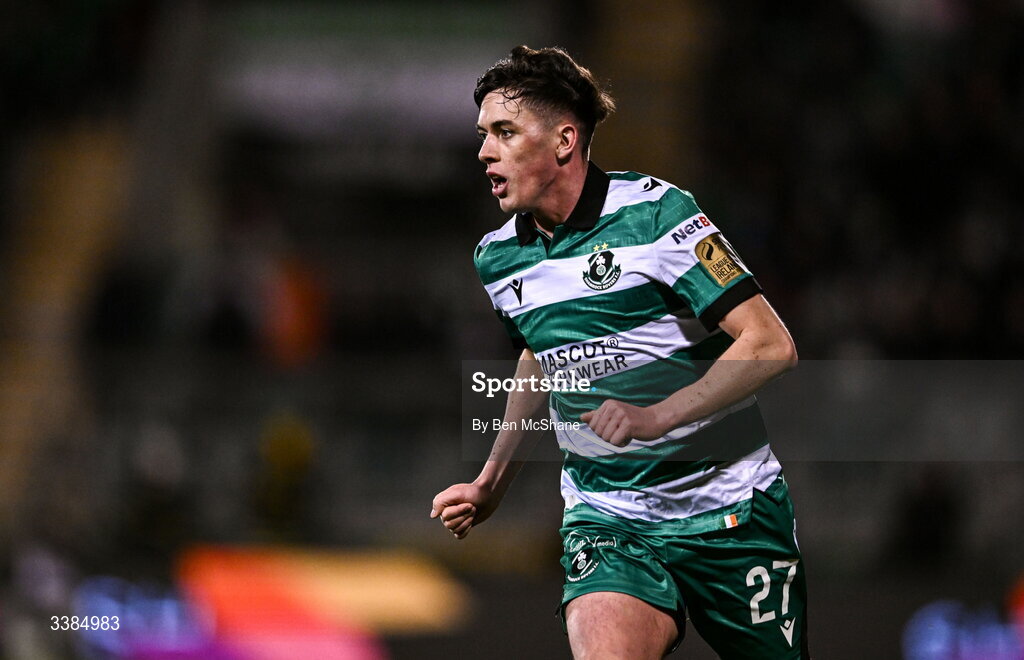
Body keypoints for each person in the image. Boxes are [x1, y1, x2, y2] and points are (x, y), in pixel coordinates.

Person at [431, 45, 809, 659]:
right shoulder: (498, 258)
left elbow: (770, 344)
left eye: (504, 132)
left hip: (730, 510)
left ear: (563, 140)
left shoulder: (660, 216)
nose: (484, 152)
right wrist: (491, 482)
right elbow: (540, 357)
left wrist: (656, 416)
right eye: (483, 135)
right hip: (609, 521)